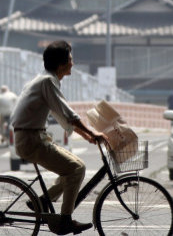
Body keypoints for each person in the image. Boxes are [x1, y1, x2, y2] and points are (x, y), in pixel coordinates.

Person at [10, 40, 108, 235]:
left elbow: (61, 115)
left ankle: (42, 201)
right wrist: (92, 133)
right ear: (61, 64)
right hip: (32, 140)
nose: (73, 63)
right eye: (70, 59)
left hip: (33, 137)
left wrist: (87, 135)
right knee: (76, 169)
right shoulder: (47, 81)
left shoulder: (44, 80)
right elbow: (68, 113)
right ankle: (65, 220)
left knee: (75, 166)